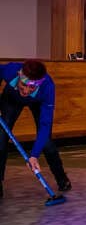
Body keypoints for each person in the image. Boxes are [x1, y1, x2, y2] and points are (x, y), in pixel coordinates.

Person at [0, 60, 71, 198]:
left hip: (38, 101)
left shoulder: (47, 87)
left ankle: (61, 178)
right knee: (1, 136)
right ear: (19, 75)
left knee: (46, 142)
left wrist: (34, 155)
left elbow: (45, 125)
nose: (26, 91)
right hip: (12, 97)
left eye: (31, 87)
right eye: (24, 84)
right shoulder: (10, 70)